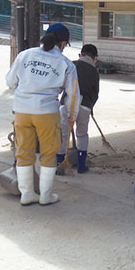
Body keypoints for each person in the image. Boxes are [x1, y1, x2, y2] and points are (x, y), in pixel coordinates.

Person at [5, 23, 79, 206]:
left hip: (22, 111)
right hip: (46, 112)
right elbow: (74, 94)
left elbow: (9, 81)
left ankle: (27, 194)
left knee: (23, 152)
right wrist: (72, 116)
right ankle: (46, 196)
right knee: (48, 153)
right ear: (62, 44)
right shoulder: (65, 64)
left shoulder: (25, 55)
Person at [56, 43, 100, 174]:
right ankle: (81, 165)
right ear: (95, 58)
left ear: (80, 55)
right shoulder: (94, 72)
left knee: (63, 134)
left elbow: (61, 84)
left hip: (66, 104)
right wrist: (90, 107)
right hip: (84, 106)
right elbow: (95, 93)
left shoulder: (70, 65)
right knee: (82, 134)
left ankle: (59, 163)